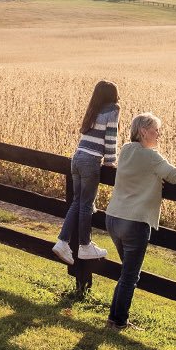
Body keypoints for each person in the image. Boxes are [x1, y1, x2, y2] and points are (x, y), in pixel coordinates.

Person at [103, 113, 176, 330]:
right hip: (135, 221)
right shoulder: (151, 157)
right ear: (143, 131)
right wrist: (158, 174)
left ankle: (115, 318)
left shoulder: (126, 150)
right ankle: (118, 321)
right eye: (156, 130)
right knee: (130, 275)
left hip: (113, 218)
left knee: (127, 272)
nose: (159, 134)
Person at [53, 81, 120, 265]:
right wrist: (110, 162)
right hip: (91, 161)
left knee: (77, 202)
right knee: (85, 205)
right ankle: (85, 245)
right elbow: (111, 137)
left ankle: (62, 242)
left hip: (77, 158)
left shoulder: (93, 109)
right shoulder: (113, 110)